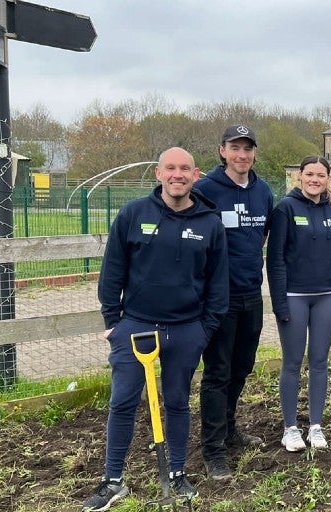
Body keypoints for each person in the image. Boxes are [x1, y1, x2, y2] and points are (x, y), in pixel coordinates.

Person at [84, 147, 228, 511]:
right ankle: (113, 480)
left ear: (195, 175)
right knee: (123, 402)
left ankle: (177, 473)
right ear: (158, 173)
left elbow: (217, 284)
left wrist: (203, 331)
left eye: (184, 169)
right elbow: (112, 270)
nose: (177, 175)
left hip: (186, 329)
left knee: (178, 402)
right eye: (170, 168)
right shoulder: (134, 214)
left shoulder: (210, 223)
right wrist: (112, 322)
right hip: (136, 326)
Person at [193, 125, 273, 481]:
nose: (242, 155)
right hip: (217, 300)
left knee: (242, 367)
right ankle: (212, 448)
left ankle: (229, 429)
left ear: (254, 152)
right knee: (217, 372)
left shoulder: (263, 191)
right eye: (235, 148)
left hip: (251, 295)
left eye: (248, 148)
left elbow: (263, 236)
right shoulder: (205, 191)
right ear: (222, 150)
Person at [267, 156, 331, 452]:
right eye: (310, 174)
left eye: (321, 175)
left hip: (326, 295)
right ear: (300, 177)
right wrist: (279, 302)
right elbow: (275, 259)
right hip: (294, 297)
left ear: (328, 179)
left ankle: (315, 425)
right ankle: (290, 427)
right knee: (291, 363)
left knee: (319, 361)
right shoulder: (285, 209)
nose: (315, 179)